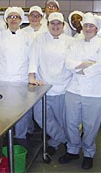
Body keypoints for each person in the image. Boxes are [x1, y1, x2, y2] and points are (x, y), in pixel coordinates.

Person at [58, 13, 101, 170]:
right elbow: (68, 63)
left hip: (95, 92)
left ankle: (88, 153)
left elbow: (100, 67)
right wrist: (86, 64)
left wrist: (78, 67)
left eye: (91, 26)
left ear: (96, 29)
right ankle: (72, 150)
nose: (88, 28)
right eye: (85, 25)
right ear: (82, 27)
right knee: (71, 123)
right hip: (74, 89)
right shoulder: (75, 43)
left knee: (90, 125)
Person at [29, 12, 74, 155]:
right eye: (52, 23)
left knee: (61, 119)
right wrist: (32, 76)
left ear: (63, 25)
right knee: (40, 117)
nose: (55, 26)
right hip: (43, 86)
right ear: (47, 25)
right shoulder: (40, 39)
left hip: (64, 86)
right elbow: (33, 59)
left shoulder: (70, 41)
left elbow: (74, 63)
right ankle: (66, 139)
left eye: (58, 23)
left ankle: (54, 143)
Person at [0, 7, 33, 139]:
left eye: (16, 17)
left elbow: (33, 59)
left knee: (21, 112)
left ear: (21, 20)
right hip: (3, 80)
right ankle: (3, 138)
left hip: (21, 80)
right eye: (11, 17)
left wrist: (31, 78)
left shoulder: (27, 37)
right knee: (3, 112)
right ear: (6, 19)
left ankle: (20, 138)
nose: (13, 19)